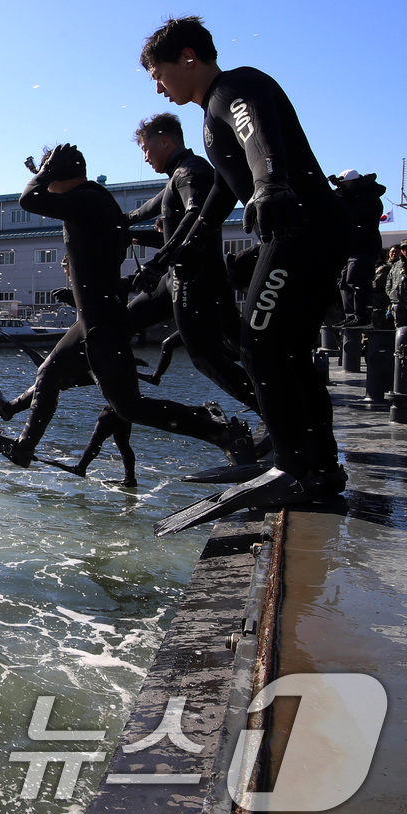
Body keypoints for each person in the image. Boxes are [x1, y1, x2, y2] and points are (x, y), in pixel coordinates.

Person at [140, 15, 351, 512]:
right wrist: (189, 242)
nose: (158, 86)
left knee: (259, 346)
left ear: (188, 58)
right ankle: (319, 466)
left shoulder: (233, 89)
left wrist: (270, 183)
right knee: (290, 351)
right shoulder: (210, 115)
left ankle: (290, 467)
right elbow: (219, 190)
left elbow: (255, 133)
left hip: (300, 230)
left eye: (159, 72)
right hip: (311, 230)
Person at [14, 143, 253, 468]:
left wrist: (44, 172)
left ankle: (222, 432)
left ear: (58, 173)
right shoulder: (95, 201)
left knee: (130, 407)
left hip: (102, 323)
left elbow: (28, 200)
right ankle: (23, 447)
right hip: (97, 318)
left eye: (50, 174)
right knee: (50, 372)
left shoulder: (87, 201)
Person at [128, 113, 259, 413]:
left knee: (206, 357)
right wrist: (120, 223)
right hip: (176, 278)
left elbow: (195, 214)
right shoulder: (178, 175)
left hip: (196, 278)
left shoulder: (193, 171)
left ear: (165, 141)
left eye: (146, 149)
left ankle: (280, 420)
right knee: (122, 323)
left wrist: (159, 261)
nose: (145, 157)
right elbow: (146, 209)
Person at [330, 170, 387, 328]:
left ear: (353, 182)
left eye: (344, 184)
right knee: (344, 282)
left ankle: (363, 317)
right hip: (352, 247)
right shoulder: (354, 197)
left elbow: (354, 215)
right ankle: (351, 316)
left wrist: (342, 199)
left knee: (358, 280)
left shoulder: (368, 196)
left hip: (364, 246)